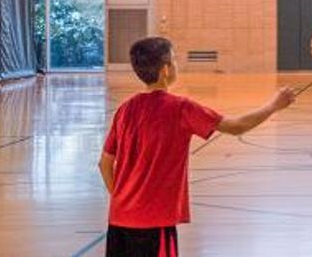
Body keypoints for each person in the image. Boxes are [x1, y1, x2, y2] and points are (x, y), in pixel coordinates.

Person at [98, 37, 296, 256]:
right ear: (165, 70)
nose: (176, 65)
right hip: (153, 225)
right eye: (174, 60)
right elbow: (236, 126)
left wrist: (124, 199)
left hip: (118, 222)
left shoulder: (125, 110)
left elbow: (104, 164)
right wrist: (274, 106)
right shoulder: (180, 109)